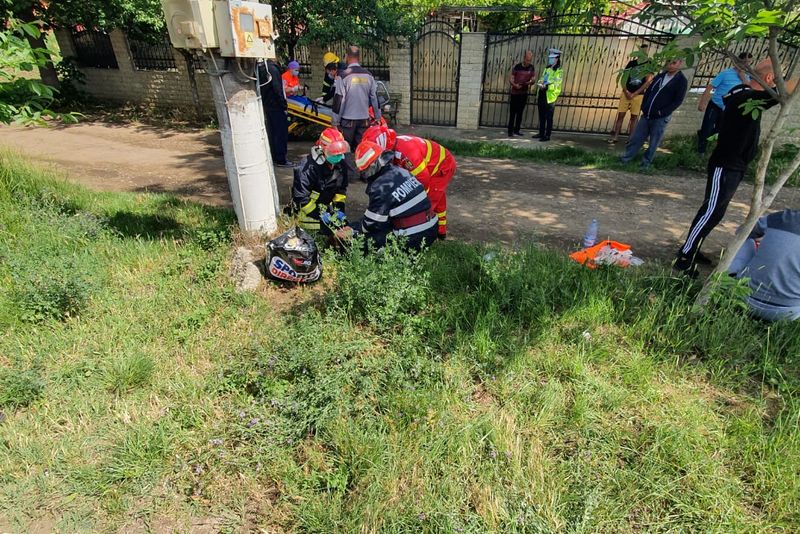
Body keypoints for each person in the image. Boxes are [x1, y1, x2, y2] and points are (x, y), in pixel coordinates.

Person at [675, 59, 798, 274]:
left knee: (716, 212)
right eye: (777, 78)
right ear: (770, 78)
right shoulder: (745, 97)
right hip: (725, 165)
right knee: (711, 211)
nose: (777, 82)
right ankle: (685, 255)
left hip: (734, 165)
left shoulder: (744, 94)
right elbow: (784, 90)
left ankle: (693, 247)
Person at [335, 140, 438, 251]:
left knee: (365, 241)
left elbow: (372, 224)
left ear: (368, 169)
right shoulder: (401, 171)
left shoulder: (380, 186)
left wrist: (351, 229)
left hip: (414, 236)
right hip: (431, 227)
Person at [361, 124, 456, 239]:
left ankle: (426, 235)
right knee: (438, 199)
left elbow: (423, 180)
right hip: (435, 163)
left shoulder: (406, 154)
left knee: (428, 202)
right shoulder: (395, 146)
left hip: (442, 167)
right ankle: (441, 231)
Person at [727, 209, 800, 321]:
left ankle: (730, 278)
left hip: (743, 296)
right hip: (789, 313)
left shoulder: (783, 216)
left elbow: (743, 230)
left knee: (745, 238)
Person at [620, 58, 688, 168]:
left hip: (661, 117)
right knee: (636, 138)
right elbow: (649, 91)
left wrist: (662, 112)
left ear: (680, 63)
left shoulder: (681, 81)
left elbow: (677, 101)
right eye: (668, 62)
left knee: (653, 142)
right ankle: (625, 159)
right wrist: (644, 106)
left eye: (674, 63)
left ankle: (645, 164)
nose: (670, 65)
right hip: (647, 114)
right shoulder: (660, 76)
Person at [332, 46, 381, 183]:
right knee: (363, 147)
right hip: (364, 120)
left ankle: (350, 176)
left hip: (347, 121)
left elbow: (339, 100)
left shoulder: (343, 76)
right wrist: (377, 117)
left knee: (346, 147)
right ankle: (365, 174)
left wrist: (335, 122)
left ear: (347, 56)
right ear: (359, 57)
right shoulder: (369, 75)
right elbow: (375, 98)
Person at [289, 128, 350, 234]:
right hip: (308, 215)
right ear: (322, 150)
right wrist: (322, 215)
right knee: (325, 233)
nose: (338, 156)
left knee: (345, 230)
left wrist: (339, 211)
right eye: (333, 152)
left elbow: (341, 190)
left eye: (339, 152)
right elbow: (301, 199)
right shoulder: (307, 169)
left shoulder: (340, 164)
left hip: (326, 210)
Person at [696, 52, 753, 155]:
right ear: (737, 61)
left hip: (729, 109)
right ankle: (701, 151)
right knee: (707, 128)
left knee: (720, 130)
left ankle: (704, 137)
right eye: (744, 61)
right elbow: (710, 87)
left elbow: (750, 89)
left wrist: (743, 78)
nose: (746, 64)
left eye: (749, 62)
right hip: (715, 105)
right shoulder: (725, 73)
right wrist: (702, 103)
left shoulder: (748, 76)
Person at [608, 44, 653, 144]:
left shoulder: (649, 65)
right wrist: (626, 92)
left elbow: (648, 82)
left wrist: (634, 94)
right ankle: (615, 137)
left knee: (634, 117)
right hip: (626, 94)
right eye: (642, 50)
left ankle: (631, 139)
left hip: (638, 96)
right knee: (620, 115)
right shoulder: (632, 63)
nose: (643, 52)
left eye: (645, 50)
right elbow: (624, 78)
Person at [256, 58, 292, 167]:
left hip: (268, 105)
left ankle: (275, 157)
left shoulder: (262, 68)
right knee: (280, 134)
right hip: (276, 106)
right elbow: (278, 89)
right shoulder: (273, 69)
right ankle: (280, 159)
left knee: (273, 133)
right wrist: (284, 105)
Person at [533, 48, 563, 142]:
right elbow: (542, 78)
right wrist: (540, 83)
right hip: (542, 93)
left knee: (549, 117)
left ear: (557, 59)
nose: (550, 59)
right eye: (550, 58)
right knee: (541, 115)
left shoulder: (559, 71)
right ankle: (541, 133)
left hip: (550, 96)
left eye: (552, 58)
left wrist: (546, 87)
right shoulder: (547, 68)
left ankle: (547, 135)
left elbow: (557, 84)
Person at [507, 50, 536, 137]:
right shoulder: (517, 67)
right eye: (527, 60)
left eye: (530, 60)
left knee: (520, 113)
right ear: (524, 58)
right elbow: (511, 79)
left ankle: (517, 130)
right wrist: (515, 85)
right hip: (515, 93)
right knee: (513, 113)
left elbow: (533, 79)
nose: (528, 62)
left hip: (523, 93)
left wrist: (531, 82)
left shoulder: (531, 68)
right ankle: (510, 131)